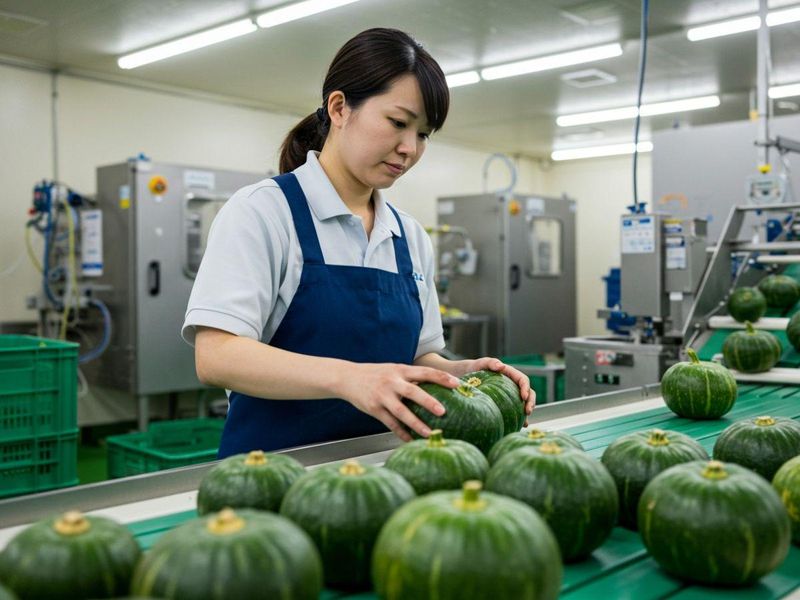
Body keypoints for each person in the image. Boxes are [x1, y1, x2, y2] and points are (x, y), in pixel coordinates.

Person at [182, 27, 535, 458]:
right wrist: (349, 379)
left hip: (388, 472)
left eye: (424, 134)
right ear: (339, 108)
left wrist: (458, 376)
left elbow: (418, 358)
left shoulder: (408, 236)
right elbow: (217, 355)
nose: (409, 148)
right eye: (398, 123)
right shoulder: (263, 212)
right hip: (273, 477)